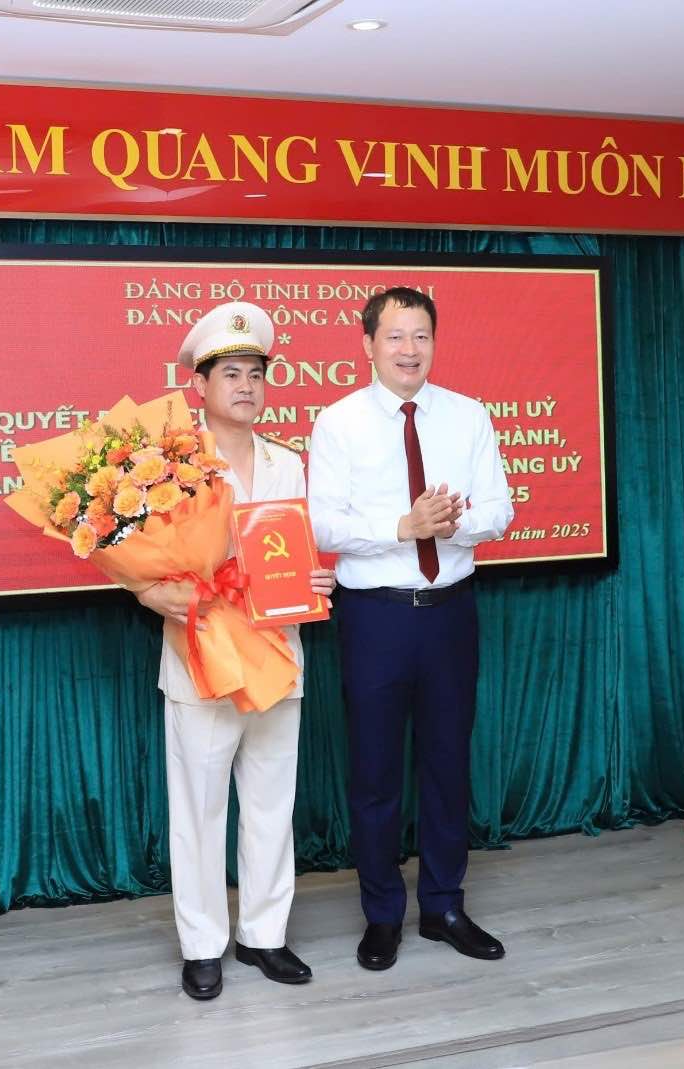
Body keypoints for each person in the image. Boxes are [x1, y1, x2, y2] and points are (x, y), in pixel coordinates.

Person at [308, 286, 513, 972]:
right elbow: (324, 526)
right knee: (374, 774)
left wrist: (456, 523)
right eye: (395, 336)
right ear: (367, 344)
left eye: (421, 335)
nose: (409, 350)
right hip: (375, 618)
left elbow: (501, 509)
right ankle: (382, 915)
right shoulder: (338, 424)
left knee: (448, 766)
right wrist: (403, 525)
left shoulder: (468, 416)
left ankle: (446, 905)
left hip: (451, 612)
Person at [135, 301, 335, 1001]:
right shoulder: (170, 468)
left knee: (271, 801)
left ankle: (264, 934)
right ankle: (202, 945)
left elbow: (300, 553)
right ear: (200, 384)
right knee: (198, 807)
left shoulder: (289, 463)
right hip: (204, 661)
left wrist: (317, 577)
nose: (246, 386)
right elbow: (147, 559)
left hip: (279, 657)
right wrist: (148, 590)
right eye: (231, 374)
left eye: (256, 373)